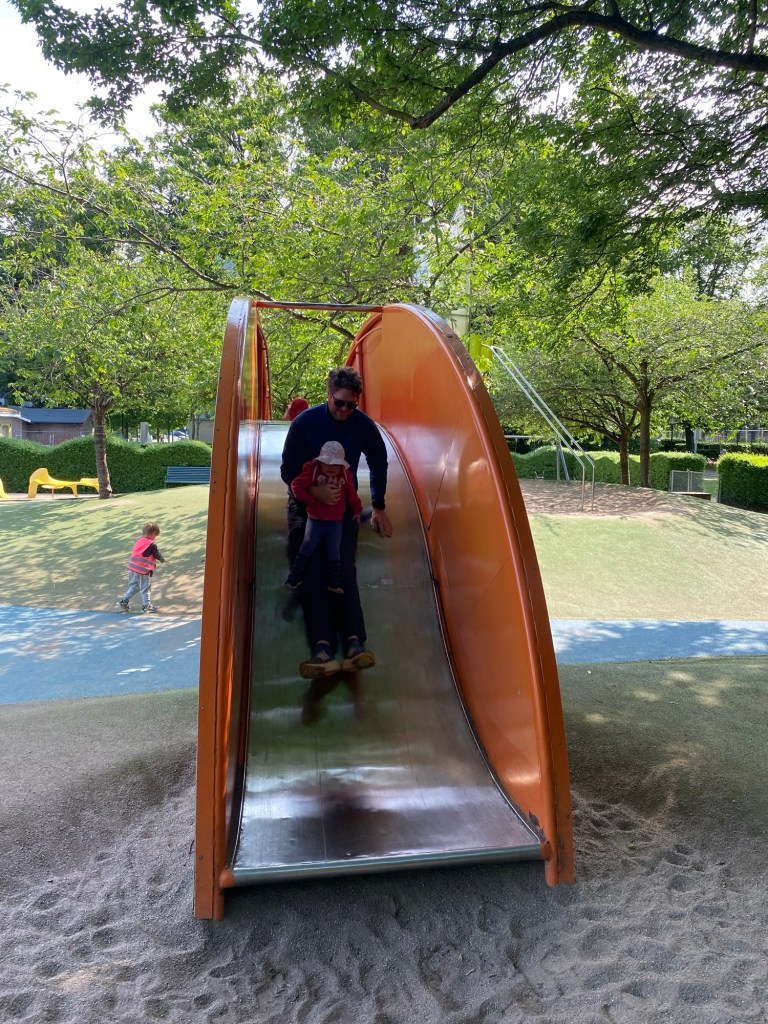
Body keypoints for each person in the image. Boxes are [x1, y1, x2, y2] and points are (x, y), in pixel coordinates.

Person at [281, 367, 393, 678]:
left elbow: (379, 460)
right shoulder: (306, 423)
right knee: (314, 571)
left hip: (340, 508)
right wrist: (313, 492)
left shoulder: (361, 424)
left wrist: (378, 506)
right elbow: (289, 471)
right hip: (305, 505)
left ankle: (355, 644)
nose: (345, 410)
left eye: (352, 405)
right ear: (329, 395)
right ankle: (322, 649)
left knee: (343, 568)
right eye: (340, 403)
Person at [286, 440, 363, 594]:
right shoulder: (313, 471)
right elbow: (295, 485)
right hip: (315, 519)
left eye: (336, 464)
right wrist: (311, 498)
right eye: (327, 463)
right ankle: (293, 579)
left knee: (334, 552)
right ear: (320, 462)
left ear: (341, 465)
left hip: (335, 522)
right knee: (306, 547)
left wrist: (357, 509)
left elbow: (352, 495)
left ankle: (334, 583)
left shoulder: (345, 475)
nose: (331, 467)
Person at [116, 521, 166, 613]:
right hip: (142, 571)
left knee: (134, 587)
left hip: (132, 569)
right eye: (156, 535)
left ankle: (124, 601)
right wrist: (163, 560)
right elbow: (157, 554)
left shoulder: (139, 541)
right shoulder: (151, 544)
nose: (155, 538)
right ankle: (146, 606)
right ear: (153, 533)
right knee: (145, 588)